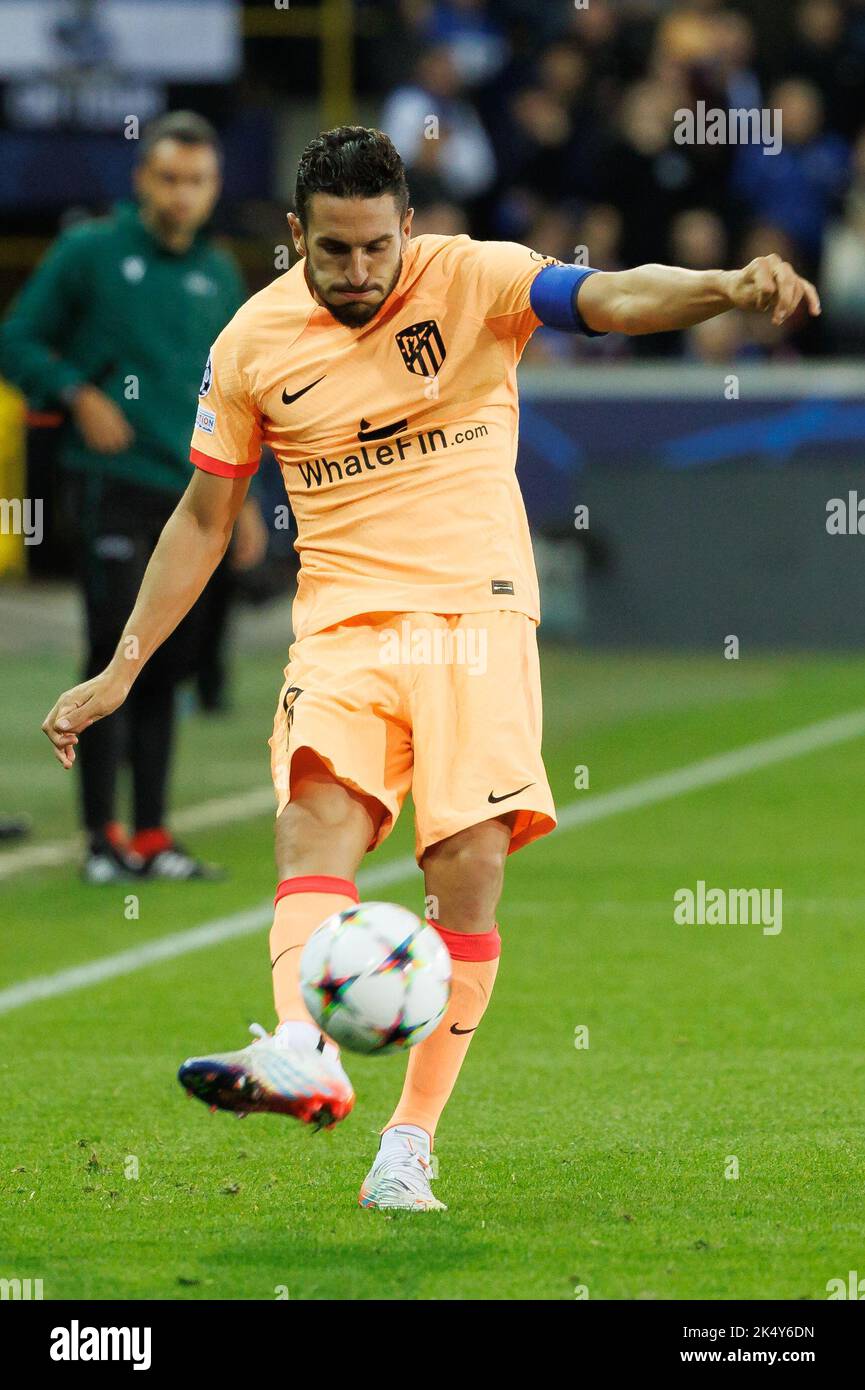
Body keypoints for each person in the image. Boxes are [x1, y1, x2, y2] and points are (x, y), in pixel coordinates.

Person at [41, 127, 819, 1209]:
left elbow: (615, 299)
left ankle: (407, 1141)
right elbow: (205, 515)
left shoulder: (474, 278)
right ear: (294, 237)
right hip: (345, 629)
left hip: (475, 621)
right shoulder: (252, 343)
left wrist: (724, 285)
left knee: (467, 874)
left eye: (375, 248)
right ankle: (303, 1052)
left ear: (408, 225)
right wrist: (123, 664)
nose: (358, 273)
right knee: (314, 821)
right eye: (334, 252)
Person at [0, 111, 266, 883]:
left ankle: (151, 835)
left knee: (168, 661)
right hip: (108, 484)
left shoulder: (217, 272)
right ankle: (100, 839)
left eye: (198, 181)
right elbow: (16, 338)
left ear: (215, 187)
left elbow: (234, 398)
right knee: (113, 650)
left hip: (190, 491)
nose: (182, 194)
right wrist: (75, 392)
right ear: (142, 179)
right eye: (169, 178)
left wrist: (242, 498)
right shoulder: (90, 252)